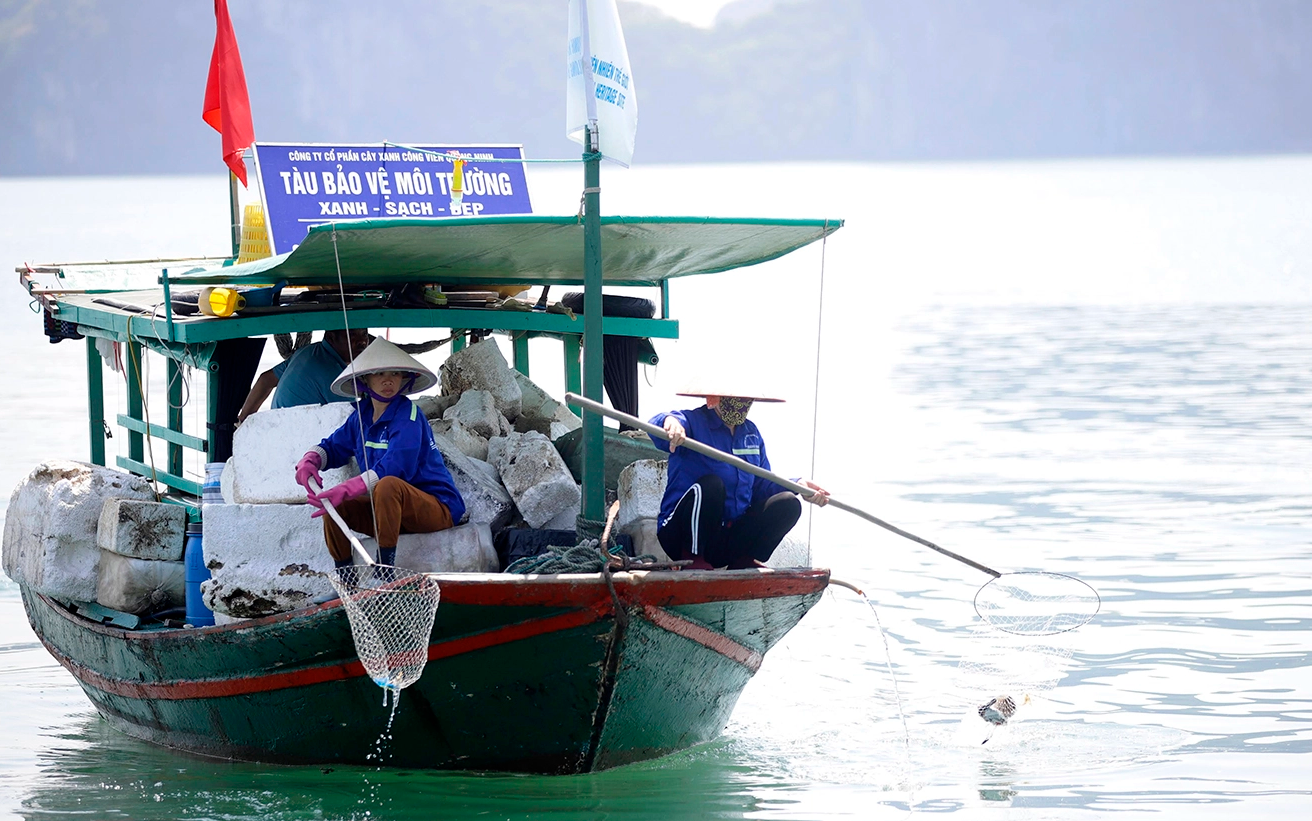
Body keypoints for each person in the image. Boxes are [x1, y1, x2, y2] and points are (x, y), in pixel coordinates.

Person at [293, 337, 465, 569]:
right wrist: (310, 460)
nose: (388, 380)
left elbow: (397, 466)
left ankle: (384, 572)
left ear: (404, 380)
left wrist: (347, 488)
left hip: (436, 509)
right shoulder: (360, 417)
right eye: (379, 374)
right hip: (388, 514)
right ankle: (346, 579)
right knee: (333, 506)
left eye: (395, 374)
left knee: (388, 485)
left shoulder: (409, 415)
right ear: (365, 379)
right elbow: (333, 447)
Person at [649, 389, 829, 570]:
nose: (740, 404)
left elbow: (761, 485)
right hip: (679, 536)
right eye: (734, 397)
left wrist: (798, 485)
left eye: (745, 398)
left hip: (725, 539)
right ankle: (693, 557)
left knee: (788, 503)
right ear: (714, 397)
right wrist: (669, 423)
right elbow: (659, 426)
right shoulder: (693, 422)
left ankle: (743, 559)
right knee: (712, 486)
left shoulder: (751, 434)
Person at [237, 328, 371, 424]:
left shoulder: (307, 352)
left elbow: (266, 379)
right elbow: (352, 419)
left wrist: (243, 421)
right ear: (331, 337)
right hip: (298, 442)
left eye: (364, 334)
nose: (362, 341)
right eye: (352, 335)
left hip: (278, 429)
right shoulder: (331, 372)